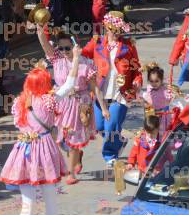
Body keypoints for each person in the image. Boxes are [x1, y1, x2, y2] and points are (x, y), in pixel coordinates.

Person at [0, 56, 82, 215]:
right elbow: (70, 83)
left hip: (23, 150)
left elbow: (18, 124)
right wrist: (77, 58)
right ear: (45, 83)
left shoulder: (19, 102)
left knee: (27, 202)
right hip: (44, 150)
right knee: (50, 198)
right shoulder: (48, 100)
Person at [37, 27, 109, 184]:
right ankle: (76, 156)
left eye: (67, 48)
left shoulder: (85, 64)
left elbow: (95, 88)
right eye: (61, 48)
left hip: (78, 105)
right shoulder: (57, 59)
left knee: (73, 139)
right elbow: (44, 45)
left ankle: (70, 174)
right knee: (58, 137)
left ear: (75, 46)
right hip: (60, 103)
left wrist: (103, 108)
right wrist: (40, 30)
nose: (64, 51)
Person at [82, 11, 142, 167]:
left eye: (119, 30)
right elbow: (81, 56)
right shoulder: (97, 43)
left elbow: (136, 69)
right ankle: (119, 142)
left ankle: (110, 155)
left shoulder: (128, 46)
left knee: (111, 127)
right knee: (100, 127)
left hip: (121, 94)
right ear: (106, 28)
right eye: (113, 29)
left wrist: (137, 82)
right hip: (100, 94)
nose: (116, 33)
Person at [142, 63, 172, 139]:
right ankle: (151, 148)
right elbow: (146, 102)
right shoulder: (149, 89)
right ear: (148, 81)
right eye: (151, 81)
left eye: (156, 81)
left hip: (163, 115)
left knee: (163, 135)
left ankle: (164, 149)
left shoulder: (165, 90)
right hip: (151, 114)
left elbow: (169, 101)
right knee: (150, 134)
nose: (154, 83)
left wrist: (171, 94)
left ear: (161, 80)